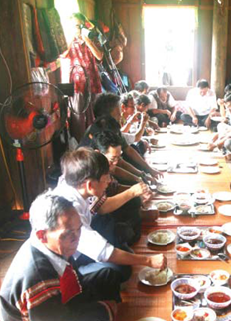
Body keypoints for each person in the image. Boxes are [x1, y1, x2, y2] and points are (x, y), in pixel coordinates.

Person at [0, 193, 119, 321]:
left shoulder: (52, 244)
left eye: (79, 230)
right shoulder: (36, 277)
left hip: (59, 302)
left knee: (108, 275)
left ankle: (105, 318)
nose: (77, 238)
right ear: (42, 235)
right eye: (69, 233)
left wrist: (98, 308)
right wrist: (101, 310)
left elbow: (77, 281)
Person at [53, 148, 166, 281]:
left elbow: (101, 207)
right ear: (90, 185)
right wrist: (148, 260)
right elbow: (103, 252)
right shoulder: (69, 212)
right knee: (119, 270)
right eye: (105, 179)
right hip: (65, 268)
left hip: (77, 249)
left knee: (126, 255)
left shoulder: (77, 185)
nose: (109, 182)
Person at [79, 93, 161, 181]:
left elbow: (128, 150)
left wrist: (146, 172)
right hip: (89, 177)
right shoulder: (101, 132)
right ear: (107, 115)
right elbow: (116, 166)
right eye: (118, 113)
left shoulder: (111, 126)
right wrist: (139, 178)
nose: (120, 116)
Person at [92, 130, 151, 246]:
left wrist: (138, 189)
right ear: (98, 153)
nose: (116, 163)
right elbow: (101, 207)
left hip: (105, 214)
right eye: (113, 159)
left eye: (118, 158)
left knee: (134, 201)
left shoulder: (105, 166)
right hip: (95, 223)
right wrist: (132, 191)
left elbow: (114, 187)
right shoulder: (90, 171)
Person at [62, 13, 103, 141]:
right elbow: (63, 54)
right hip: (77, 84)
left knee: (95, 114)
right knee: (78, 117)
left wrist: (87, 40)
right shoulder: (70, 40)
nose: (78, 28)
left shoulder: (93, 37)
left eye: (80, 25)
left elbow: (100, 56)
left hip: (93, 82)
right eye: (75, 26)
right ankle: (80, 146)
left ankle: (96, 144)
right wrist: (72, 37)